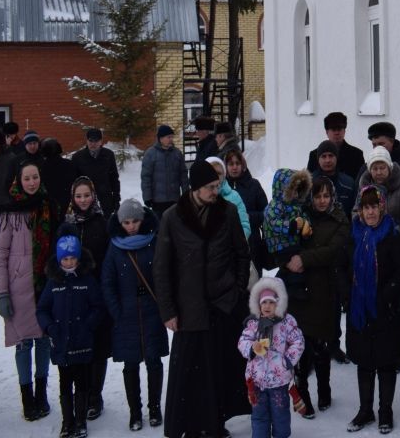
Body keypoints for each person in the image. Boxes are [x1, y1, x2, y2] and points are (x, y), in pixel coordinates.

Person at [153, 157, 251, 438]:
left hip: (223, 306)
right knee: (189, 374)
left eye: (218, 185)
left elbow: (242, 254)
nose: (215, 191)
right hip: (189, 310)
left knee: (219, 371)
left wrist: (237, 289)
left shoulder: (228, 211)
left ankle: (215, 423)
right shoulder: (172, 217)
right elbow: (162, 268)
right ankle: (189, 427)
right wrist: (168, 310)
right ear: (195, 187)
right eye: (210, 186)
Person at [344, 186, 400, 433]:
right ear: (360, 209)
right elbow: (341, 268)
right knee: (364, 361)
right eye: (366, 207)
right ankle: (365, 411)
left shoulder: (393, 233)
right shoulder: (353, 234)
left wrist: (385, 296)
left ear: (382, 207)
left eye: (374, 206)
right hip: (359, 310)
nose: (370, 212)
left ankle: (385, 411)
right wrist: (348, 295)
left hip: (385, 310)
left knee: (385, 362)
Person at [0, 160, 55, 422]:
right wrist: (2, 294)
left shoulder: (49, 206)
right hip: (19, 288)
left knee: (42, 341)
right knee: (23, 343)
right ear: (19, 181)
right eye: (27, 178)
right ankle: (27, 397)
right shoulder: (9, 213)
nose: (32, 182)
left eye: (35, 177)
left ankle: (41, 393)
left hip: (45, 285)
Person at [101, 199, 168, 431]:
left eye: (135, 221)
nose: (131, 226)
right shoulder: (114, 246)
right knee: (130, 366)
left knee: (153, 362)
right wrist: (117, 312)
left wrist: (163, 307)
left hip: (151, 313)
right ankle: (135, 412)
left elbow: (164, 274)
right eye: (126, 222)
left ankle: (155, 408)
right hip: (126, 316)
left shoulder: (154, 242)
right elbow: (107, 282)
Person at [288, 176, 348, 416]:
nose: (322, 201)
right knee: (302, 346)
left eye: (326, 196)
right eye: (317, 196)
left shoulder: (340, 220)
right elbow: (290, 244)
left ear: (332, 197)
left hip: (325, 290)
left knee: (323, 345)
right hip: (301, 290)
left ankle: (324, 388)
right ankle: (303, 392)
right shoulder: (301, 217)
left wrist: (304, 258)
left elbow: (332, 251)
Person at [36, 232, 105, 438]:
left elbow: (98, 306)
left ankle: (81, 420)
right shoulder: (53, 282)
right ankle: (68, 421)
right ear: (59, 259)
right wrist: (50, 327)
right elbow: (42, 309)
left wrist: (89, 325)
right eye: (65, 258)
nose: (69, 262)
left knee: (82, 382)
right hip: (61, 342)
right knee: (65, 382)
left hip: (82, 340)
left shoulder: (87, 279)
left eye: (73, 258)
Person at [64, 177, 111, 421]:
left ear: (93, 195)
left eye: (87, 195)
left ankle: (95, 396)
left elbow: (108, 258)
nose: (83, 200)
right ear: (73, 198)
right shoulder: (67, 224)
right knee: (78, 344)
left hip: (96, 292)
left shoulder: (102, 222)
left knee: (98, 347)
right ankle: (80, 392)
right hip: (73, 294)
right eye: (78, 196)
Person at [238, 277, 306, 438]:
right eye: (263, 302)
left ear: (279, 303)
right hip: (256, 381)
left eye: (271, 302)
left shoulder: (286, 322)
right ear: (258, 304)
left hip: (279, 380)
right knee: (259, 416)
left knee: (280, 416)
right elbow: (242, 341)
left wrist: (287, 361)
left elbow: (298, 342)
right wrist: (252, 348)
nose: (267, 306)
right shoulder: (253, 323)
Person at [355, 147, 400, 268]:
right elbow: (356, 212)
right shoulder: (364, 188)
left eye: (382, 168)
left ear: (389, 168)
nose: (378, 172)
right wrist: (367, 229)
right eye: (375, 168)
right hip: (370, 243)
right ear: (369, 170)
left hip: (397, 244)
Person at [266, 169, 313, 299]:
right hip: (279, 245)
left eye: (297, 190)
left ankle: (283, 288)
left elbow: (303, 216)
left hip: (292, 243)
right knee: (296, 265)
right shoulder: (275, 206)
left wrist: (306, 225)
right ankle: (293, 289)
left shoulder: (295, 205)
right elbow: (273, 223)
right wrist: (291, 226)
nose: (296, 194)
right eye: (292, 190)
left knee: (294, 266)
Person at [224, 149, 270, 272]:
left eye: (237, 163)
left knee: (253, 282)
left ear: (243, 165)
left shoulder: (254, 185)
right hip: (228, 244)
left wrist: (249, 217)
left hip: (252, 243)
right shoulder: (222, 188)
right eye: (231, 164)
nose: (234, 167)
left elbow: (266, 213)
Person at [70, 128, 120, 217]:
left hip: (105, 198)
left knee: (105, 225)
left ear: (101, 141)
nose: (93, 144)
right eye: (91, 141)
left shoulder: (108, 155)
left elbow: (114, 178)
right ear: (87, 141)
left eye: (96, 141)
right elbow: (74, 182)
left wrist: (116, 198)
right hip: (85, 199)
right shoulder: (78, 157)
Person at [140, 126, 188, 218]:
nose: (171, 139)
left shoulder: (177, 153)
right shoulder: (150, 154)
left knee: (174, 226)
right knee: (160, 228)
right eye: (168, 137)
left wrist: (186, 194)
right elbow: (146, 177)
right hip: (158, 201)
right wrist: (147, 197)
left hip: (174, 200)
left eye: (171, 137)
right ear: (161, 138)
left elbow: (183, 175)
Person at [305, 112, 366, 180]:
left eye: (339, 129)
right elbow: (309, 182)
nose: (337, 133)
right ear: (327, 132)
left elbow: (361, 182)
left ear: (344, 131)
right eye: (333, 129)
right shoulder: (314, 155)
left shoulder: (356, 154)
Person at [309, 140, 357, 218]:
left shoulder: (349, 184)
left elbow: (354, 212)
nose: (327, 160)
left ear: (336, 158)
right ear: (318, 159)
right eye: (323, 156)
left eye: (331, 155)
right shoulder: (310, 183)